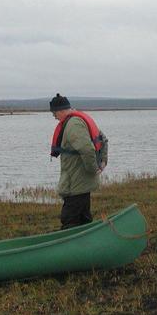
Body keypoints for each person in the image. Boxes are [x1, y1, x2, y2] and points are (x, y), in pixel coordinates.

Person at [49, 93, 104, 230]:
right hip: (81, 183)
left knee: (70, 219)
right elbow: (103, 140)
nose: (54, 117)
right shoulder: (78, 120)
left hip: (76, 184)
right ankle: (88, 246)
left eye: (54, 113)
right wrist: (102, 162)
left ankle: (68, 249)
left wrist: (94, 169)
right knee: (84, 219)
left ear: (61, 111)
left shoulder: (73, 124)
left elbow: (87, 149)